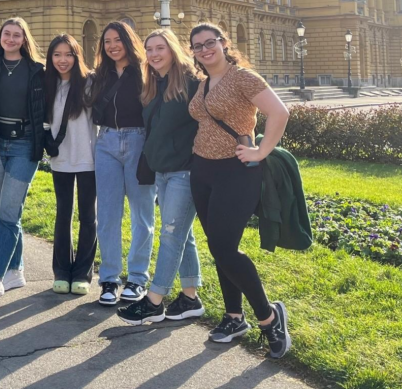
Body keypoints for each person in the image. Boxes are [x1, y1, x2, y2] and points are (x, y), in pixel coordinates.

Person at [187, 23, 293, 358]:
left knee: (224, 247)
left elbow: (279, 112)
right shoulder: (204, 83)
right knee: (221, 248)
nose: (205, 49)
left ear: (223, 44)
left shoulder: (242, 77)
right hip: (202, 170)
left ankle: (269, 316)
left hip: (236, 171)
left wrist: (261, 152)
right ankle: (234, 317)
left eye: (210, 43)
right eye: (198, 46)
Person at [118, 28, 205, 325]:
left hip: (185, 169)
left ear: (172, 49)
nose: (154, 54)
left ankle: (154, 301)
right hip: (163, 170)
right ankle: (190, 298)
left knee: (170, 233)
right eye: (150, 49)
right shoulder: (155, 83)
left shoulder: (192, 83)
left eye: (160, 48)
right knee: (183, 234)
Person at [0, 17, 46, 305]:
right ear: (0, 36)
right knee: (8, 211)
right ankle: (16, 270)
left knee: (6, 212)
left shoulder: (37, 70)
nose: (12, 39)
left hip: (24, 144)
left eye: (17, 35)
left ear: (24, 39)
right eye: (7, 34)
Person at [91, 21, 154, 307]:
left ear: (128, 41)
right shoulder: (100, 75)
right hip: (106, 143)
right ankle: (109, 279)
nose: (112, 46)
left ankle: (138, 277)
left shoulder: (145, 72)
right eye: (107, 42)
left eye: (117, 40)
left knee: (142, 214)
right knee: (107, 214)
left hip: (138, 141)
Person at [44, 34, 97, 296]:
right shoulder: (46, 83)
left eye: (68, 54)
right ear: (50, 57)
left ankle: (83, 272)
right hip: (60, 158)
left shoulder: (89, 83)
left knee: (88, 216)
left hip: (89, 158)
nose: (62, 60)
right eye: (57, 55)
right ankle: (62, 271)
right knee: (63, 214)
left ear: (77, 57)